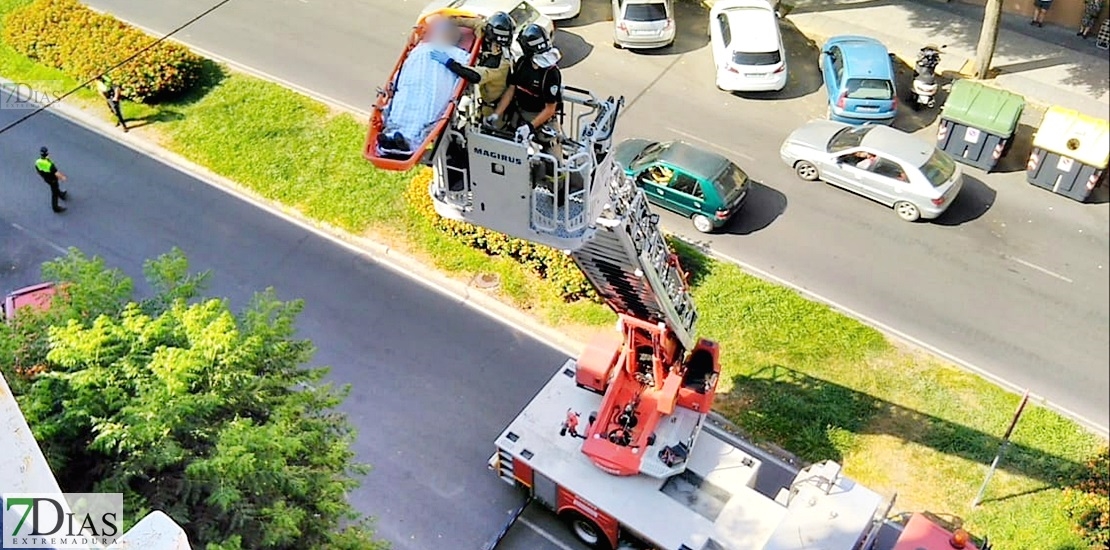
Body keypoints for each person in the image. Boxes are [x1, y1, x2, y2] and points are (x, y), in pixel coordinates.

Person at [379, 17, 473, 153]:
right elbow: (406, 68)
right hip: (413, 85)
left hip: (433, 89)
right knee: (402, 106)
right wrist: (394, 84)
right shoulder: (421, 49)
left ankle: (405, 141)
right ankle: (392, 138)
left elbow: (464, 72)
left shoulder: (459, 54)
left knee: (425, 113)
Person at [487, 24, 563, 152]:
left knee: (554, 161)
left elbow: (550, 109)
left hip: (542, 119)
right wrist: (496, 114)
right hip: (520, 114)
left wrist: (530, 127)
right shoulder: (522, 63)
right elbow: (511, 90)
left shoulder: (551, 73)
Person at [431, 12, 515, 119]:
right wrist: (451, 21)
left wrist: (449, 63)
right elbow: (476, 23)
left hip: (493, 105)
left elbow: (475, 76)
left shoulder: (501, 65)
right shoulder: (487, 34)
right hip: (483, 96)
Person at [34, 147, 68, 213]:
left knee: (55, 188)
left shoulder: (37, 161)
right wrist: (63, 177)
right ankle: (55, 208)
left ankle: (61, 194)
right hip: (53, 179)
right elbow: (56, 173)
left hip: (46, 178)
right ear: (47, 153)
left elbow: (38, 171)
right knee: (54, 192)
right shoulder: (49, 164)